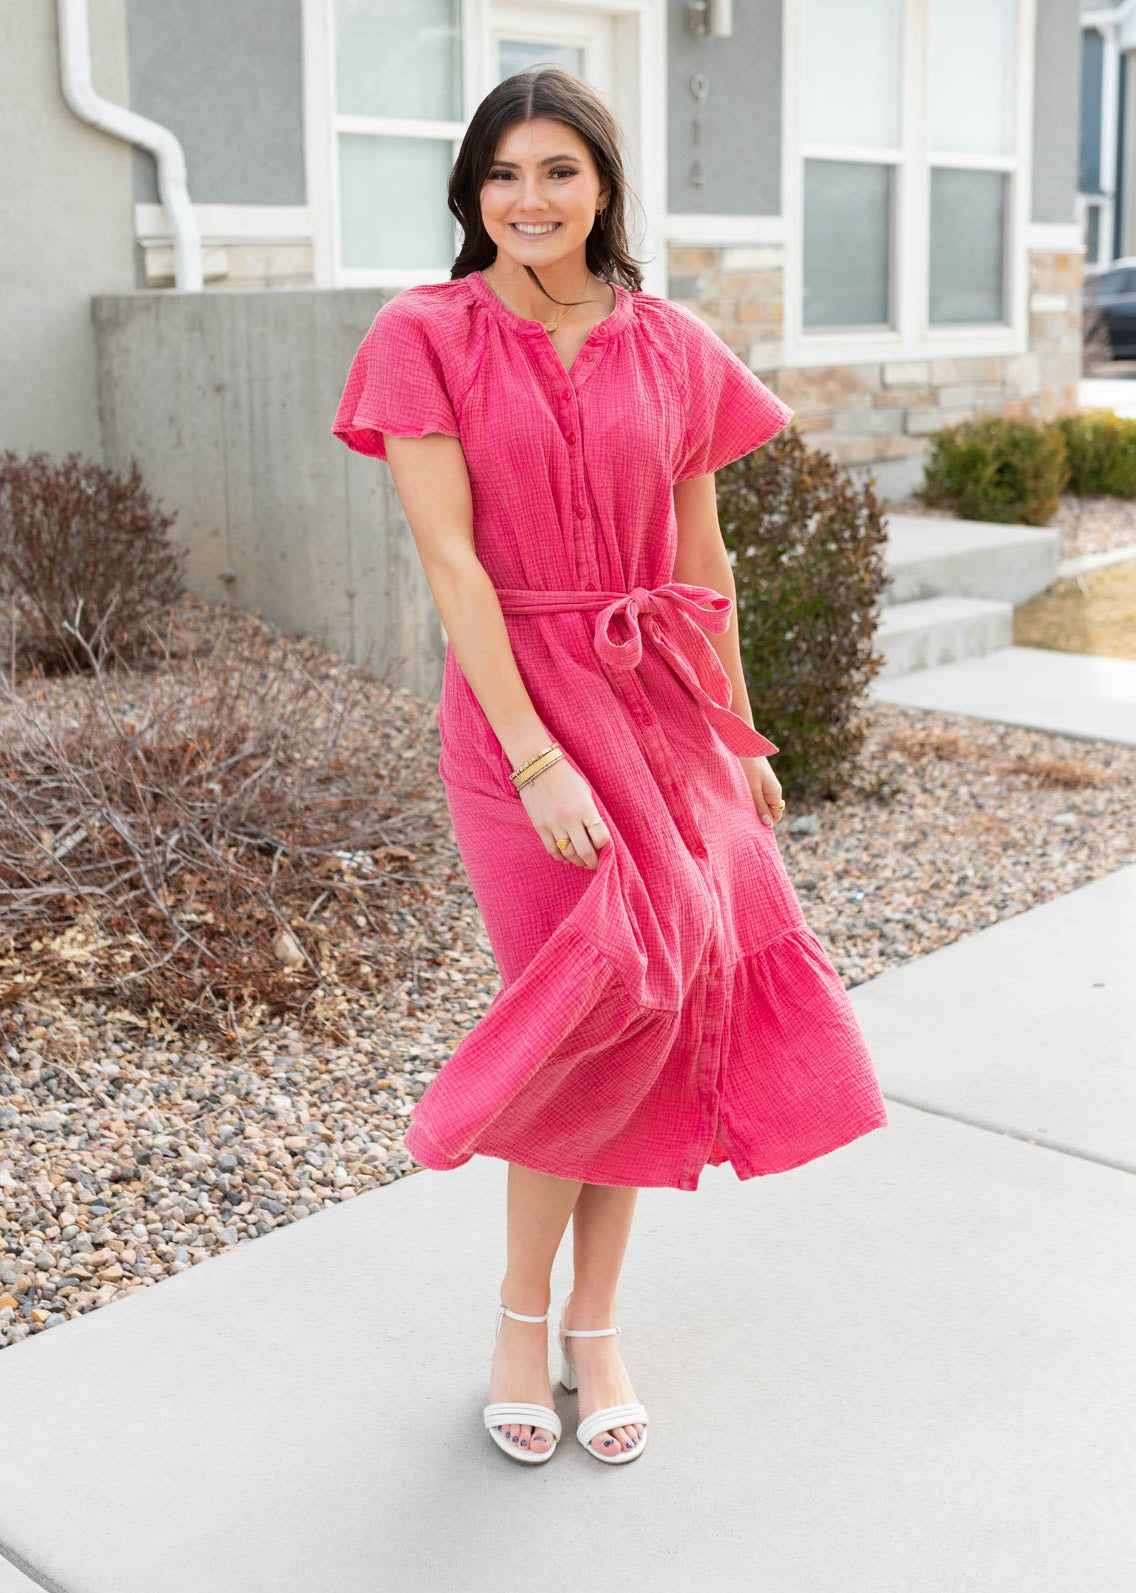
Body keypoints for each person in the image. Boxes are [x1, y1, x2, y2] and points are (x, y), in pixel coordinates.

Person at [331, 68, 888, 1469]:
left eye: (559, 172)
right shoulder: (424, 334)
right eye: (505, 173)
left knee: (656, 1011)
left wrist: (739, 733)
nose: (530, 198)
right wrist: (533, 761)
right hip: (522, 716)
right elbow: (452, 564)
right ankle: (524, 1322)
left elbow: (703, 565)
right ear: (472, 191)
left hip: (662, 712)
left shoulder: (671, 344)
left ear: (602, 188)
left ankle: (595, 1321)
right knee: (583, 1004)